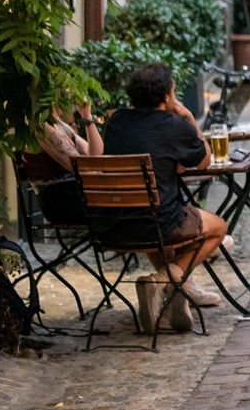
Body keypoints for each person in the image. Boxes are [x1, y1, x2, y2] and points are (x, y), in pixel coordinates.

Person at [97, 63, 227, 306]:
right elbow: (204, 161)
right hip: (158, 224)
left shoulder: (117, 121)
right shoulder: (173, 125)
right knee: (219, 227)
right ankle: (161, 281)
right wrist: (189, 118)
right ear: (167, 96)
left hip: (112, 224)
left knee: (152, 212)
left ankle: (178, 295)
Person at [19, 103, 103, 225]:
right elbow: (78, 167)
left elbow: (96, 156)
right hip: (61, 202)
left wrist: (87, 117)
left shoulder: (58, 122)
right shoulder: (41, 124)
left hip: (74, 193)